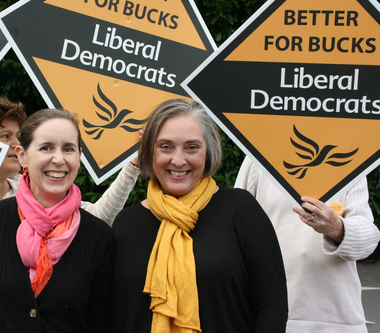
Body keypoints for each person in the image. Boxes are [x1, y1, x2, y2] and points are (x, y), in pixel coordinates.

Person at [0, 98, 140, 333]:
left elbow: (99, 323)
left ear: (78, 157)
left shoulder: (98, 237)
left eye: (68, 149)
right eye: (46, 147)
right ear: (23, 155)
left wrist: (134, 163)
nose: (58, 159)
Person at [112, 99, 288, 333]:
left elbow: (272, 306)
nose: (178, 160)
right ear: (149, 152)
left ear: (208, 152)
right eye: (165, 146)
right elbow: (110, 315)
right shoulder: (125, 224)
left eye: (192, 147)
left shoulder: (241, 209)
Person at [235, 157, 380, 333]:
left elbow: (367, 241)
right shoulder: (257, 158)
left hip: (335, 320)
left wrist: (337, 228)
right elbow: (234, 228)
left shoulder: (347, 158)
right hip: (267, 317)